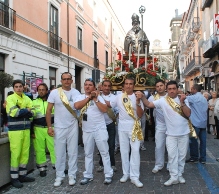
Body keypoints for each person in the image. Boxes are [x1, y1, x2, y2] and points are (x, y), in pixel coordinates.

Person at [136, 80, 191, 186]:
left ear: (177, 89)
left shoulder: (182, 99)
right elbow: (149, 104)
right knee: (171, 155)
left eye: (174, 89)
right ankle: (174, 176)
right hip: (170, 133)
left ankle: (180, 174)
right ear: (167, 89)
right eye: (169, 89)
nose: (171, 91)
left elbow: (188, 114)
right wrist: (142, 96)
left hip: (183, 133)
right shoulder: (163, 101)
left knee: (182, 156)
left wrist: (183, 102)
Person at [74, 78, 113, 185]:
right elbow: (77, 106)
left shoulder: (99, 98)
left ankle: (108, 174)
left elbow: (105, 109)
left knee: (104, 152)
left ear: (94, 87)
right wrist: (89, 98)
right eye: (86, 84)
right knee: (88, 153)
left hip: (100, 129)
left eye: (90, 85)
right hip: (87, 130)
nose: (87, 87)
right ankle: (87, 175)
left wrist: (95, 99)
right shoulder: (80, 97)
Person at [46, 72, 80, 187]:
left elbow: (79, 107)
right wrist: (49, 126)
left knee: (73, 152)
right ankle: (59, 176)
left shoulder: (76, 92)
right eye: (64, 79)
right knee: (59, 153)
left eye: (68, 79)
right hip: (59, 127)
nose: (66, 81)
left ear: (71, 80)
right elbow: (49, 110)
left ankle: (72, 175)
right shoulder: (55, 93)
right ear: (61, 81)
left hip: (73, 125)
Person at [110, 78, 144, 188]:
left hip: (134, 126)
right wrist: (96, 98)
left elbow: (140, 115)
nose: (128, 86)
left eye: (130, 84)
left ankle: (135, 177)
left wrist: (138, 103)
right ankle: (126, 174)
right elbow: (108, 105)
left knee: (135, 151)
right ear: (123, 86)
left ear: (134, 86)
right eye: (126, 84)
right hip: (122, 126)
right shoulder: (118, 97)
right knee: (124, 151)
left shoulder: (137, 97)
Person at [6, 80, 35, 188]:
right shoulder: (10, 98)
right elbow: (14, 113)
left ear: (23, 87)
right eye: (16, 87)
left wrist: (25, 111)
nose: (18, 88)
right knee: (16, 154)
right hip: (15, 131)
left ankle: (22, 175)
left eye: (20, 86)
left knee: (24, 153)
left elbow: (33, 113)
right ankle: (14, 178)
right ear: (13, 88)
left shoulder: (27, 98)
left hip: (26, 129)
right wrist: (26, 110)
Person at [32, 83, 55, 177]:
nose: (41, 91)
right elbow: (31, 118)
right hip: (38, 129)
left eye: (43, 89)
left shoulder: (51, 102)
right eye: (39, 89)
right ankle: (42, 168)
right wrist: (31, 131)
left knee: (54, 148)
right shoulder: (33, 102)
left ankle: (57, 166)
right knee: (39, 149)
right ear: (37, 91)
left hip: (51, 128)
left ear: (46, 91)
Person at [96, 80, 118, 173]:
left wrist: (97, 98)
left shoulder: (114, 97)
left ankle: (112, 164)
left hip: (110, 124)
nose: (106, 88)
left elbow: (111, 106)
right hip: (100, 125)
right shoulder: (97, 96)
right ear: (102, 87)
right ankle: (101, 164)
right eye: (105, 86)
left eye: (109, 86)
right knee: (101, 145)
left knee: (111, 145)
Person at [148, 80, 167, 173]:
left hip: (171, 125)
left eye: (161, 85)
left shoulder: (170, 96)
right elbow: (145, 106)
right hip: (160, 125)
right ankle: (158, 165)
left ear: (165, 86)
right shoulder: (153, 98)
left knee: (171, 147)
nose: (159, 87)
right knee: (159, 146)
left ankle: (171, 166)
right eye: (157, 86)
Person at [185, 84, 208, 164]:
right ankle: (203, 158)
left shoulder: (193, 98)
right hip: (203, 123)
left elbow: (183, 98)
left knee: (193, 141)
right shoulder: (204, 98)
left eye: (191, 89)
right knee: (203, 142)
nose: (191, 91)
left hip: (195, 122)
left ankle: (194, 157)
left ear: (194, 89)